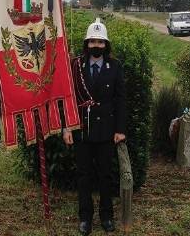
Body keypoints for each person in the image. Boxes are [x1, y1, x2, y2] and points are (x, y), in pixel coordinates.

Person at [63, 18, 127, 235]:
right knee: (84, 176)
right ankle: (85, 218)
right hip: (81, 129)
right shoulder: (75, 66)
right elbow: (68, 98)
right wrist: (67, 127)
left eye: (100, 42)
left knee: (105, 175)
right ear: (87, 44)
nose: (96, 46)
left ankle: (107, 216)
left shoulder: (115, 67)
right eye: (92, 42)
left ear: (106, 45)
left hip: (107, 131)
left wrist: (120, 129)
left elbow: (120, 100)